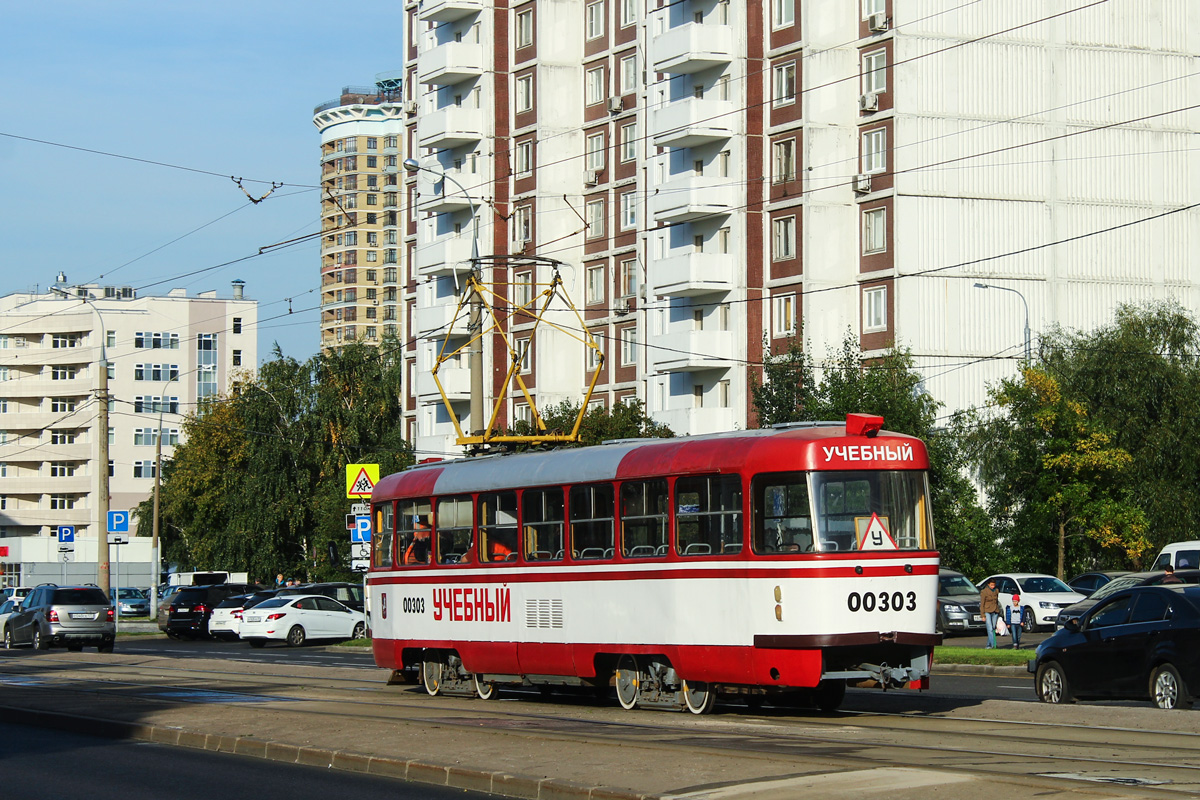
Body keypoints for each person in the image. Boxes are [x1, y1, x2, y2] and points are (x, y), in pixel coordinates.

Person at [980, 578, 1001, 649]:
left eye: (994, 585)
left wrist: (998, 611)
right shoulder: (984, 592)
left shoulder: (996, 591)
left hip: (995, 611)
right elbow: (982, 604)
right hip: (987, 611)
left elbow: (997, 602)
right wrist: (982, 615)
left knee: (993, 628)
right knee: (990, 629)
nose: (993, 586)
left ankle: (988, 645)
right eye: (991, 585)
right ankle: (993, 645)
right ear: (988, 584)